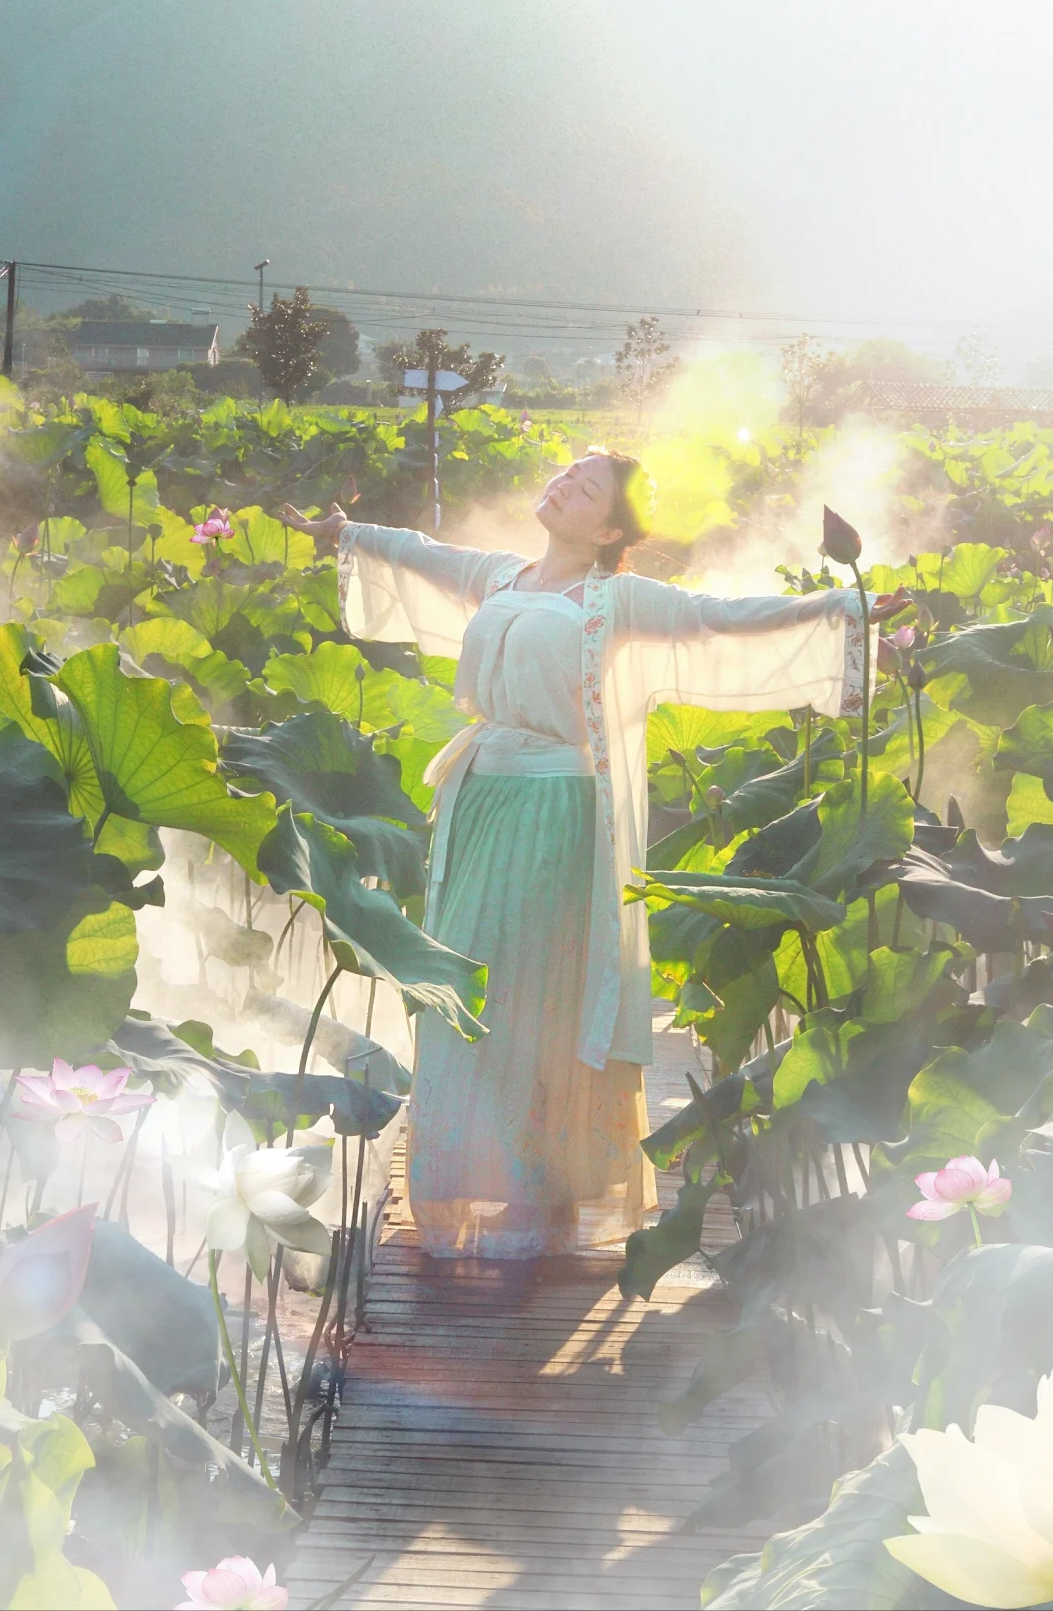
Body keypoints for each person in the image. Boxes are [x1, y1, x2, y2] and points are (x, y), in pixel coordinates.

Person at [282, 452, 872, 1259]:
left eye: (586, 487)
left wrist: (844, 609)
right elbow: (421, 554)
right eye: (566, 473)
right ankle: (464, 1182)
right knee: (458, 984)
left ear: (608, 529)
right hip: (479, 797)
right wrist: (349, 533)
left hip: (556, 808)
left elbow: (718, 618)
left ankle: (536, 1200)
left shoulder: (616, 599)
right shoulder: (501, 575)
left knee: (535, 993)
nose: (562, 483)